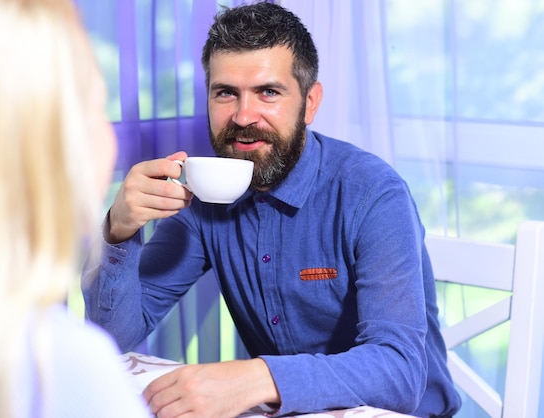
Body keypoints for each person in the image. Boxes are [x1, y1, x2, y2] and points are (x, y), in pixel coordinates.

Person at [82, 2, 462, 417]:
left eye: (268, 92)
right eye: (226, 93)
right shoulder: (206, 195)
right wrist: (119, 230)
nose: (244, 116)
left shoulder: (372, 192)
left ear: (310, 103)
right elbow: (110, 340)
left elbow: (400, 372)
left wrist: (253, 378)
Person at [0, 0, 151, 417]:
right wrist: (119, 229)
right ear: (45, 146)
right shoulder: (61, 364)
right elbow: (116, 333)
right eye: (96, 109)